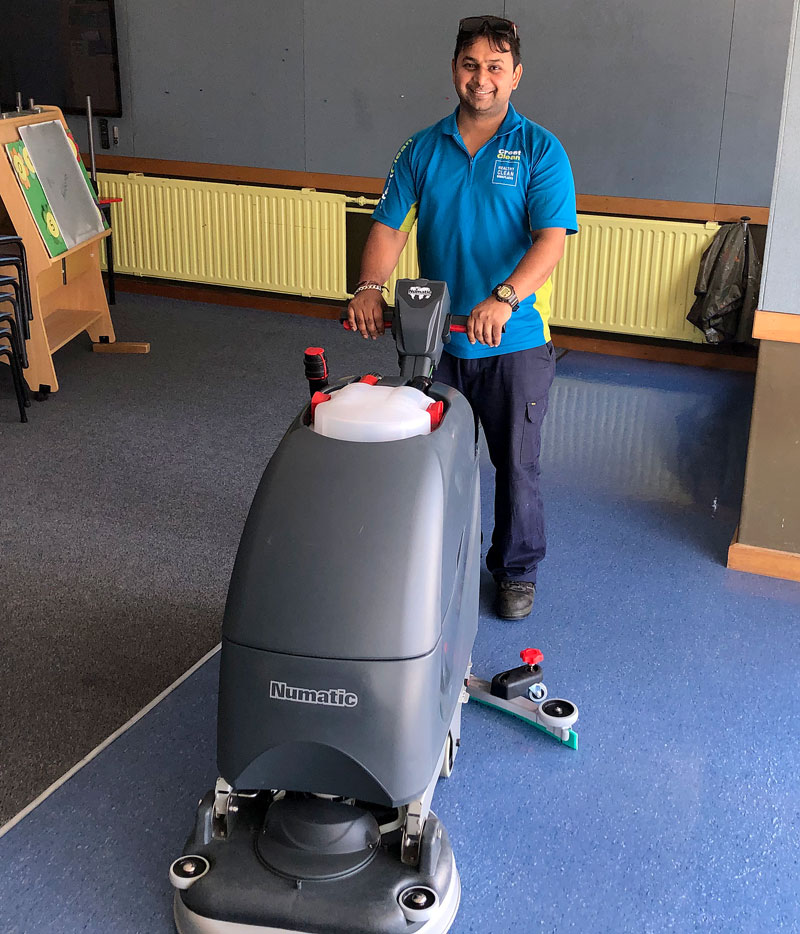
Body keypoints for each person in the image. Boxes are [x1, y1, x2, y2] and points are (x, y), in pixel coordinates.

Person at [347, 14, 578, 620]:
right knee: (432, 459)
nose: (482, 79)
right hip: (437, 338)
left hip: (515, 338)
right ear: (455, 70)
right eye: (471, 65)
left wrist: (503, 299)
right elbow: (388, 227)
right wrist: (370, 286)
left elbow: (550, 241)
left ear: (516, 76)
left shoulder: (539, 149)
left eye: (495, 68)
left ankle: (516, 571)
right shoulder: (421, 148)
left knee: (515, 464)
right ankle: (434, 561)